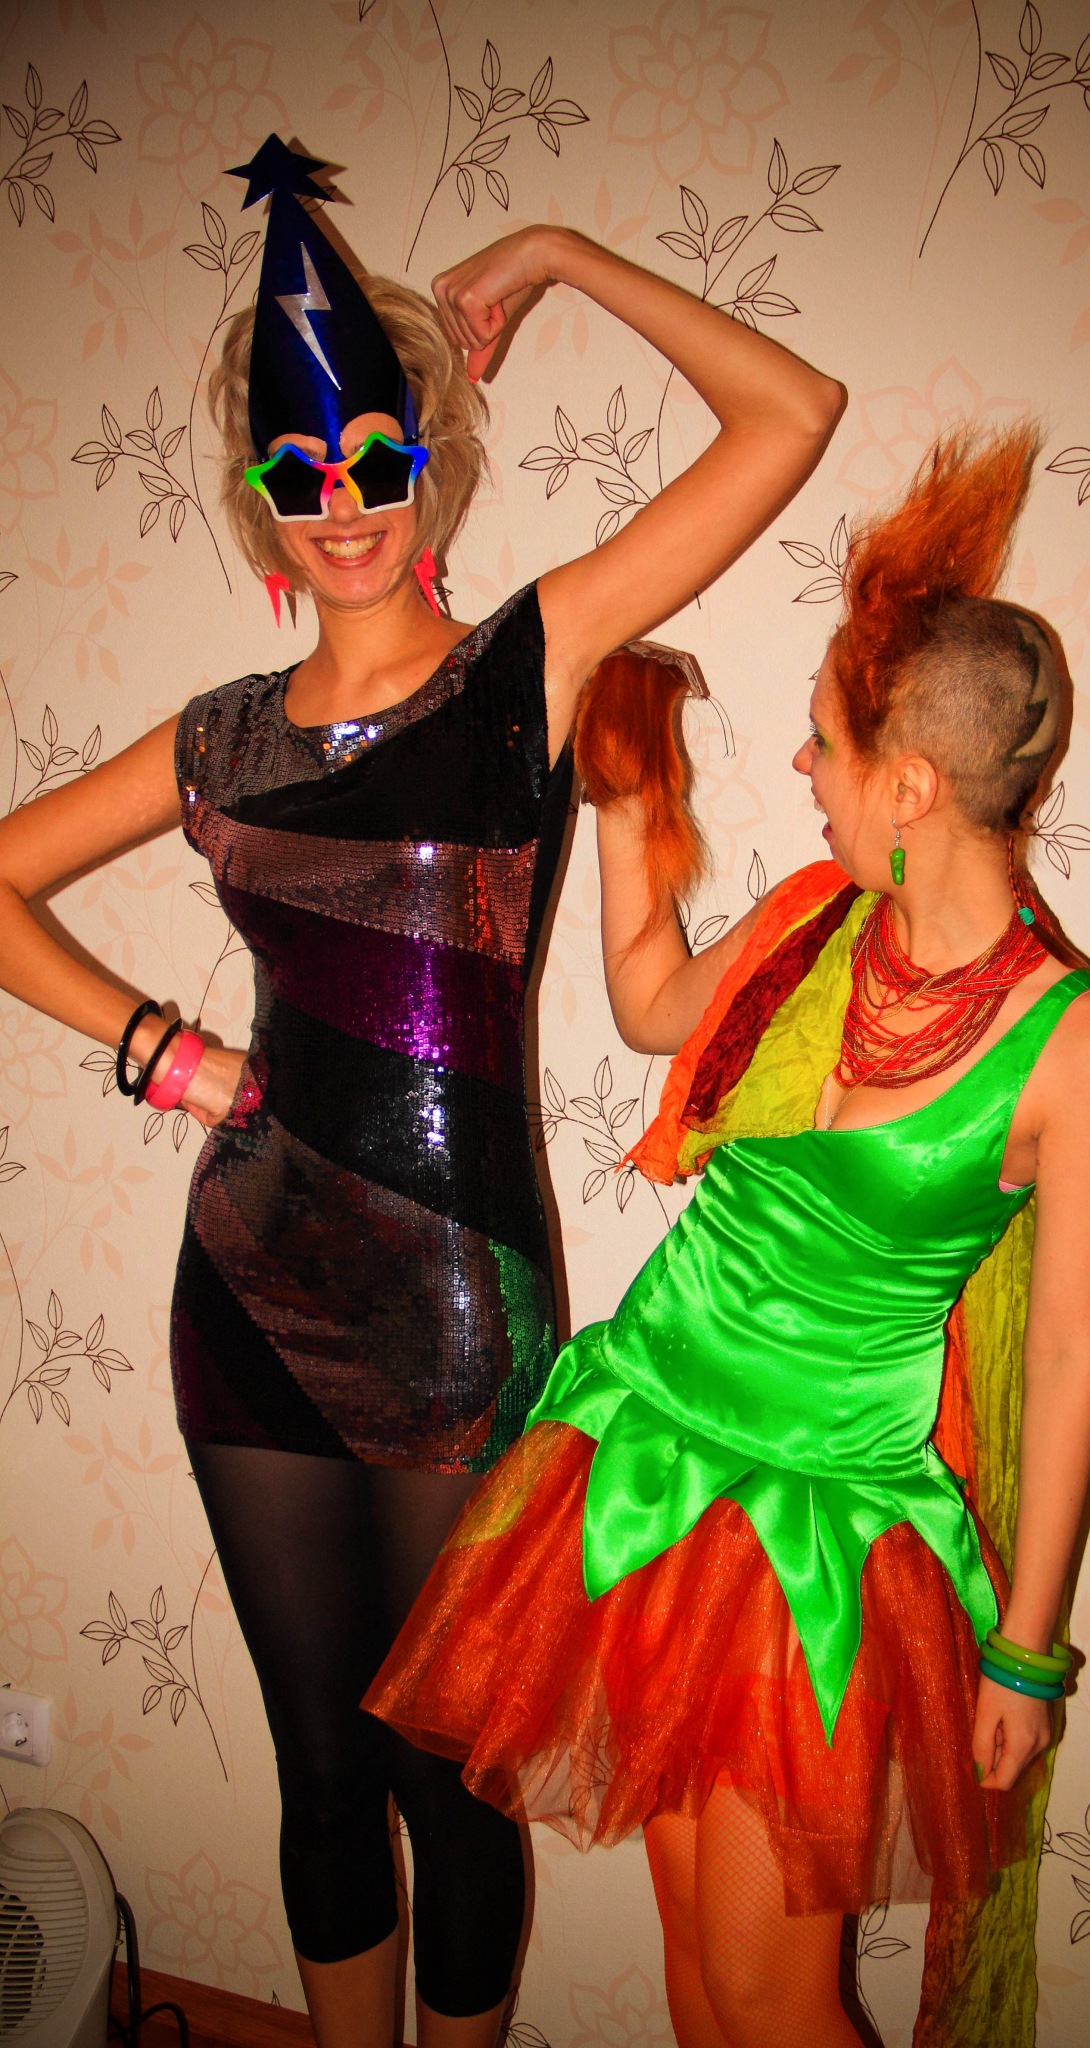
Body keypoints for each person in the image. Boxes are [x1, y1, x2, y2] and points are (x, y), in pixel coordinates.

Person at [0, 134, 841, 2048]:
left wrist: (553, 249)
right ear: (260, 503)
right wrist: (162, 1050)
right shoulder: (218, 740)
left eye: (376, 462)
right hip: (244, 1294)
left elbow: (792, 417)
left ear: (426, 464)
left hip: (460, 1310)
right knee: (317, 1780)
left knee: (444, 1782)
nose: (345, 508)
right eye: (302, 478)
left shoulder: (522, 669)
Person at [366, 424, 1090, 2047]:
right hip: (646, 1464)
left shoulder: (1067, 1042)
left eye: (824, 745)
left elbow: (1066, 1357)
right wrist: (638, 795)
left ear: (909, 785)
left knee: (772, 1998)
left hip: (816, 1534)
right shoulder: (813, 919)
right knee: (700, 1974)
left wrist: (1026, 1651)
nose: (803, 770)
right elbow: (648, 1007)